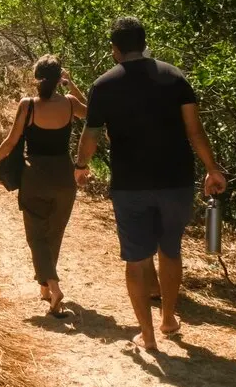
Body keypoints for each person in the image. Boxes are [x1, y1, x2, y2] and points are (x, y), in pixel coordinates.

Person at [74, 18, 227, 351]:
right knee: (170, 250)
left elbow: (91, 135)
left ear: (115, 50)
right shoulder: (175, 78)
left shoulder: (103, 86)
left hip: (130, 184)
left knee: (138, 259)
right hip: (176, 180)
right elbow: (195, 131)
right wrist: (213, 169)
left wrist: (81, 166)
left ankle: (148, 334)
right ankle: (169, 317)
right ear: (144, 44)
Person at [0, 55, 87, 316]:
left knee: (36, 235)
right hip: (64, 177)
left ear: (36, 78)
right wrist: (71, 85)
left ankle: (53, 287)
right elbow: (93, 114)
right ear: (58, 79)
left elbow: (10, 142)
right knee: (54, 233)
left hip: (35, 177)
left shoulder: (28, 106)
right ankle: (45, 286)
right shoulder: (69, 103)